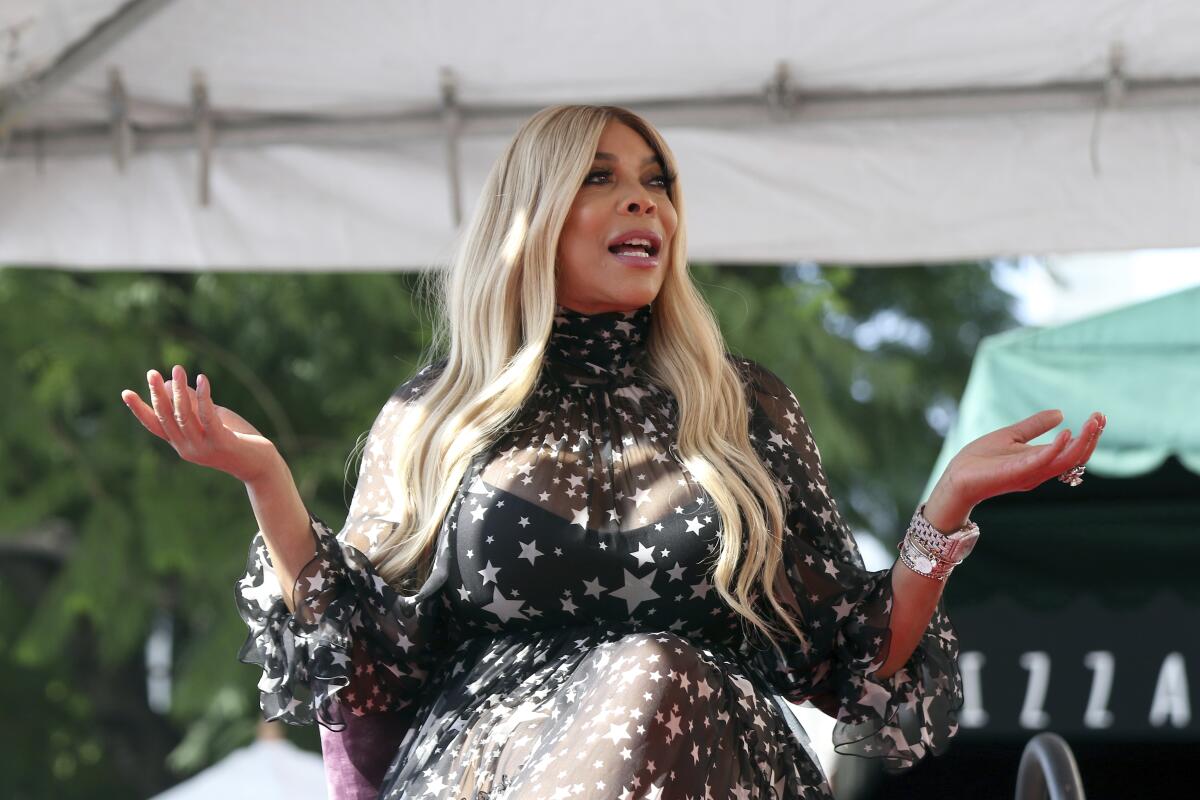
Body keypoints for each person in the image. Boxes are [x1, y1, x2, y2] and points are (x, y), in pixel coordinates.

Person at [120, 104, 1106, 799]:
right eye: (602, 178)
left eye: (657, 182)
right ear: (533, 219)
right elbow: (367, 667)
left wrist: (939, 518)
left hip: (718, 762)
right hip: (489, 770)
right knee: (649, 671)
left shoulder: (744, 407)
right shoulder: (438, 413)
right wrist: (268, 481)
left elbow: (847, 661)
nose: (645, 203)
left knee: (658, 672)